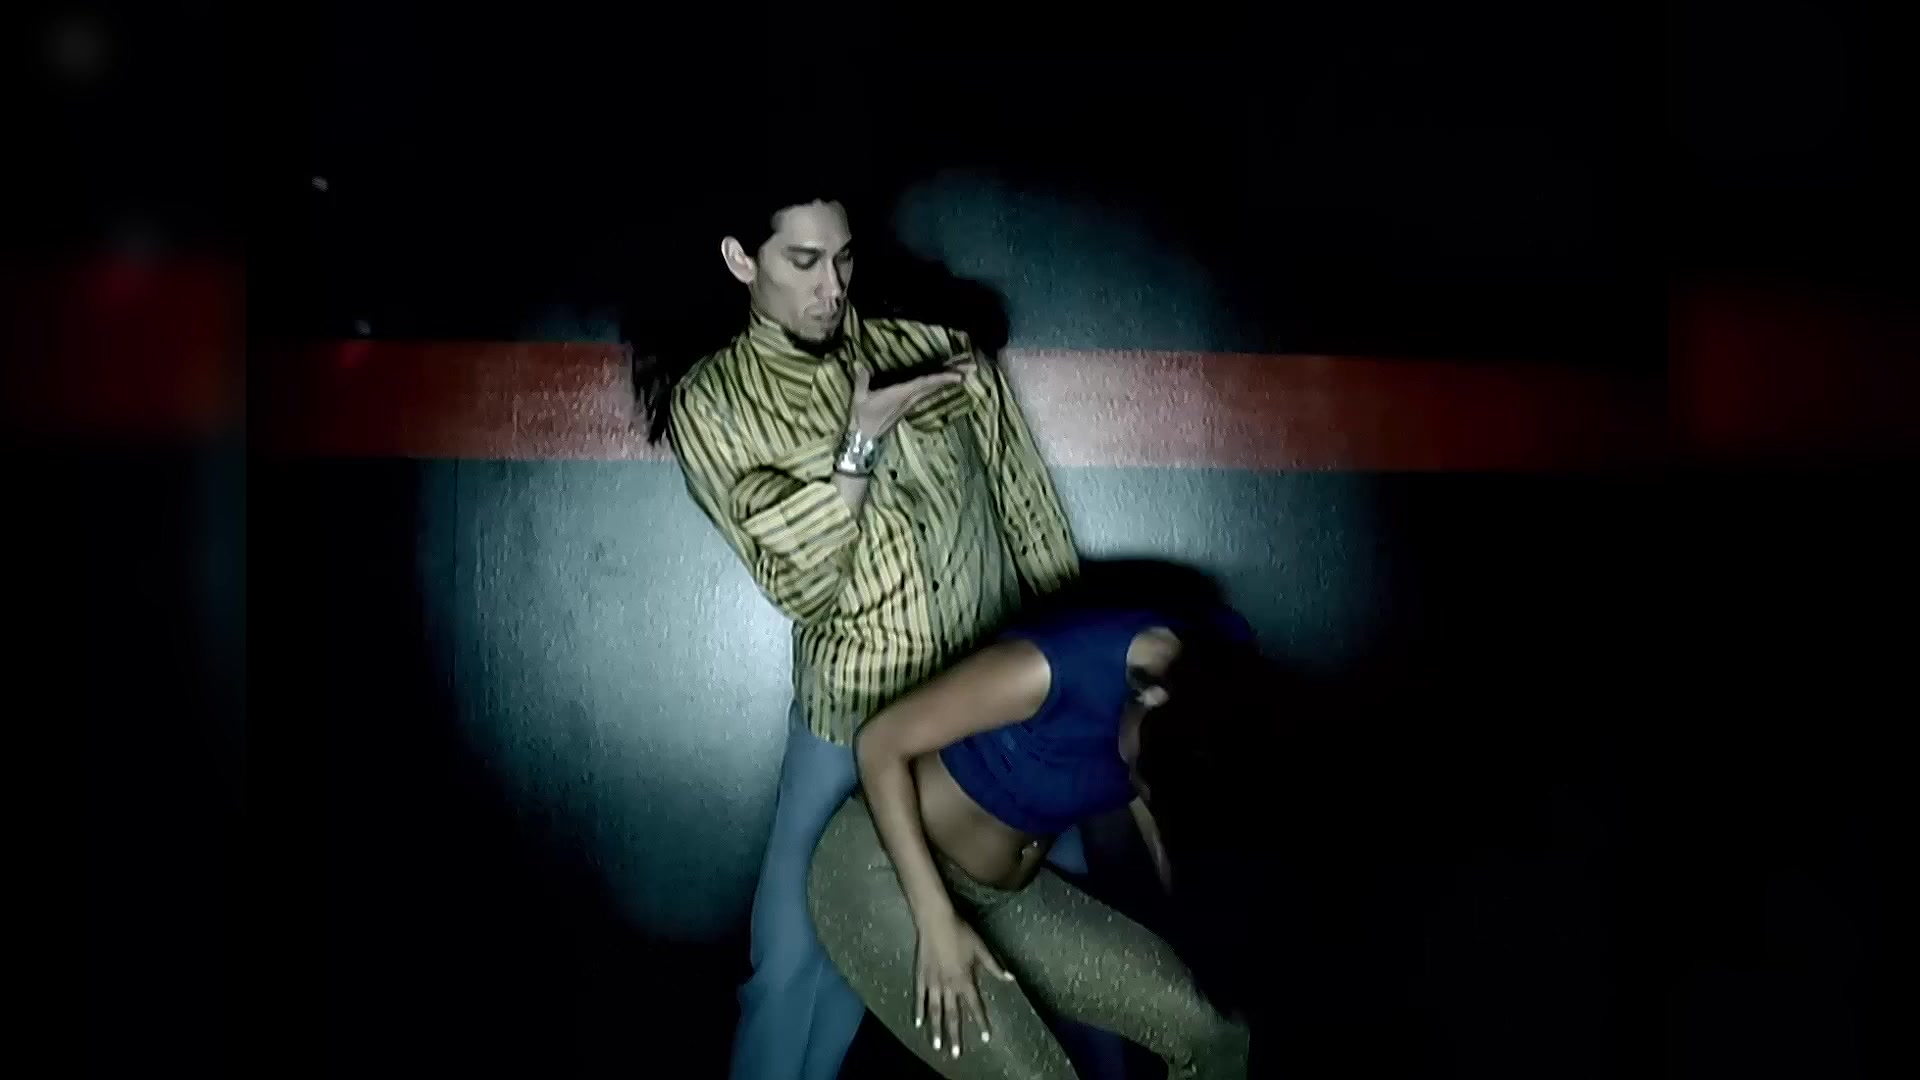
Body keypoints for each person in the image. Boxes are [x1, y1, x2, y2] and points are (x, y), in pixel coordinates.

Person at [648, 175, 1134, 1080]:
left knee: (1073, 951)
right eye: (803, 262)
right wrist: (858, 447)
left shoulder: (935, 347)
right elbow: (799, 584)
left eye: (842, 258)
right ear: (741, 260)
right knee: (791, 972)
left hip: (998, 711)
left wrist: (1080, 687)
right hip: (850, 722)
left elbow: (1032, 521)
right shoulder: (712, 406)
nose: (831, 285)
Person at [807, 596, 1258, 1078]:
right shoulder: (1049, 668)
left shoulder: (1216, 674)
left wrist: (1199, 925)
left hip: (1003, 898)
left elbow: (1162, 808)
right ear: (1150, 696)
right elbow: (878, 742)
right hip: (882, 875)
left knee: (1216, 1034)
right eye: (1137, 772)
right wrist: (937, 923)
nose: (1132, 782)